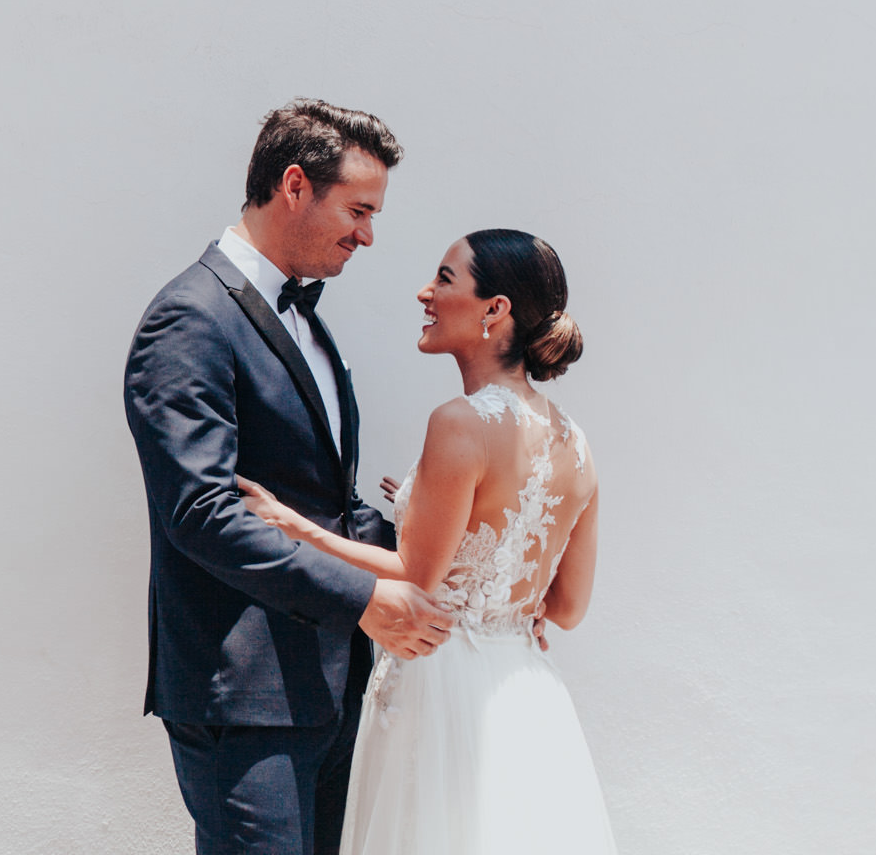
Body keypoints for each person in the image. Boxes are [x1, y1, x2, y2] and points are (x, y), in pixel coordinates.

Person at [125, 101, 454, 855]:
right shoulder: (190, 318)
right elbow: (202, 513)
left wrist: (454, 556)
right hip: (245, 699)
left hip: (329, 690)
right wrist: (365, 597)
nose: (368, 234)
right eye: (359, 210)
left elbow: (322, 505)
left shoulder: (308, 321)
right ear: (296, 186)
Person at [238, 229, 615, 854]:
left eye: (443, 279)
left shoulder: (460, 421)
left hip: (443, 684)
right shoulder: (577, 442)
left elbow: (416, 577)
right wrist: (499, 594)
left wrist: (292, 524)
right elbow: (568, 609)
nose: (425, 292)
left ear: (495, 310)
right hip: (525, 688)